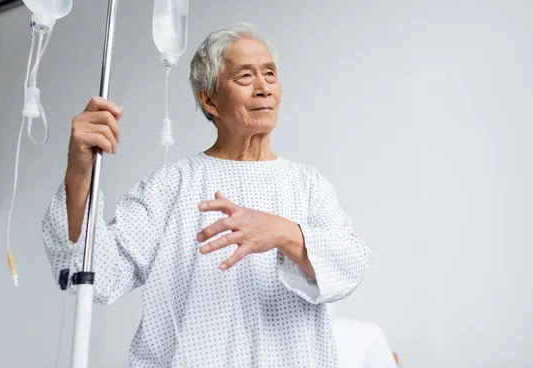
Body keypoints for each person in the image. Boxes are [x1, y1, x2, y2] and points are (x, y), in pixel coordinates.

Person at [42, 22, 371, 367]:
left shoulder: (307, 185)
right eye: (245, 77)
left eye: (270, 74)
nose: (264, 88)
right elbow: (93, 272)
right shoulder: (171, 186)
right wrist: (79, 169)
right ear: (209, 99)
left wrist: (282, 232)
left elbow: (350, 265)